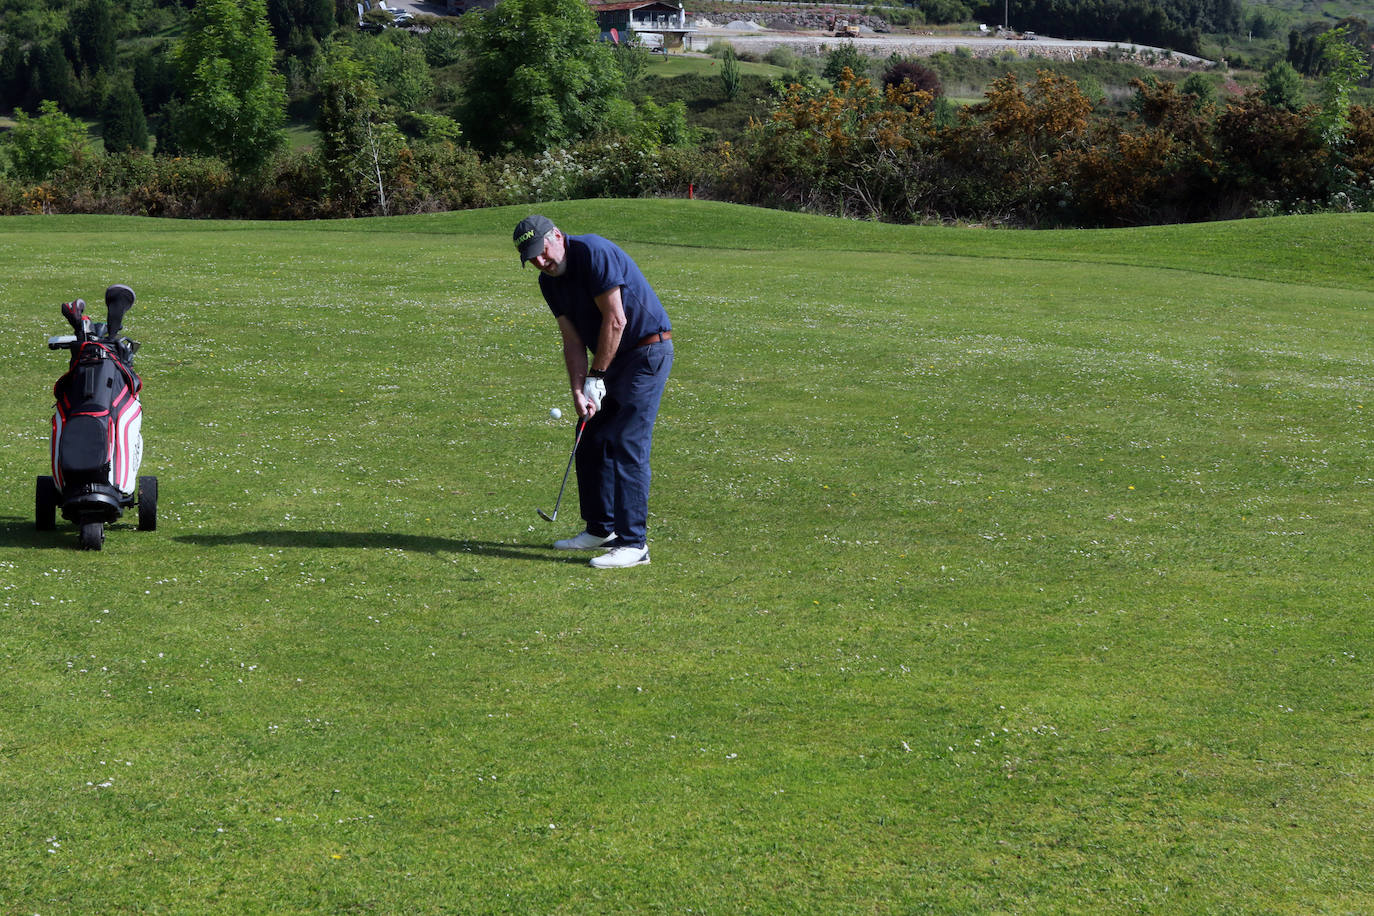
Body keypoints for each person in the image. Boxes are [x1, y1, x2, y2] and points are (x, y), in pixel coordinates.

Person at [514, 215, 673, 569]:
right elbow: (571, 341)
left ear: (556, 236)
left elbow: (616, 320)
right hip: (613, 356)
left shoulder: (592, 252)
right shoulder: (549, 282)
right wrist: (578, 389)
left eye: (542, 251)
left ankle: (634, 544)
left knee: (625, 440)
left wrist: (597, 376)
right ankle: (601, 529)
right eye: (532, 259)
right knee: (588, 433)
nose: (541, 262)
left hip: (646, 351)